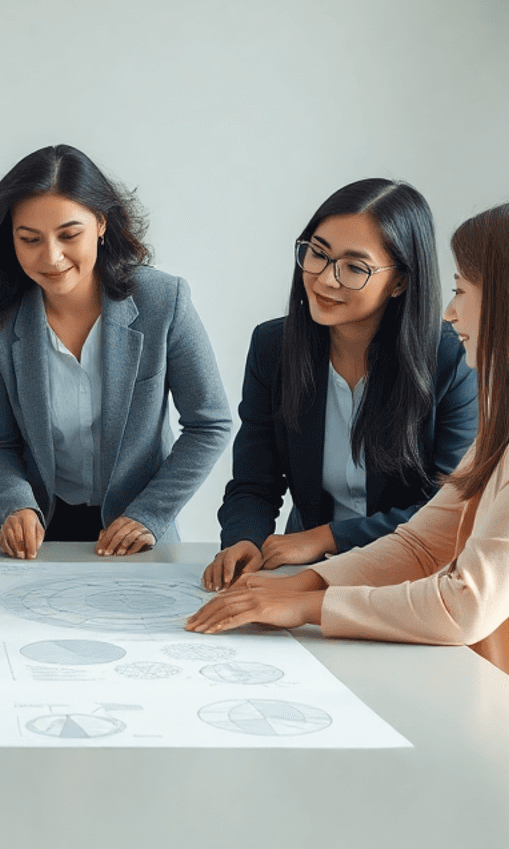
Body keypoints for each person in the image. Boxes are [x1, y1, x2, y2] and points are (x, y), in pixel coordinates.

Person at [187, 198, 509, 788]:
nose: (449, 314)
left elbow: (464, 603)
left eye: (463, 290)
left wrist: (305, 607)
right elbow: (424, 544)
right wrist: (300, 582)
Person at [202, 179, 477, 591]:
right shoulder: (272, 348)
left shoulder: (450, 359)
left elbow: (450, 509)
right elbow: (254, 482)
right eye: (318, 253)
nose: (326, 279)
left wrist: (327, 538)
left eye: (354, 267)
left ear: (399, 281)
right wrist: (244, 539)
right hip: (306, 572)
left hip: (411, 578)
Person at [0, 144, 232, 559]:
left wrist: (150, 514)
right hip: (35, 533)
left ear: (101, 224)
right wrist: (15, 504)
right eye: (29, 239)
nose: (51, 257)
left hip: (136, 532)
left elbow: (210, 424)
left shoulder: (163, 301)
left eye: (69, 235)